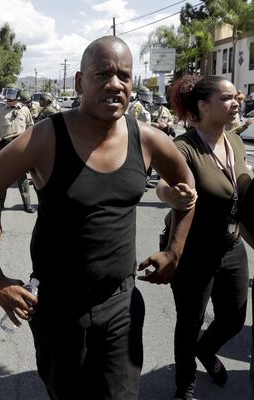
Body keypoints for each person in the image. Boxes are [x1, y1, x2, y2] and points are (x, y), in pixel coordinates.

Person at [0, 36, 195, 400]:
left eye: (124, 76)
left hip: (121, 303)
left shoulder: (147, 138)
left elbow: (186, 190)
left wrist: (173, 252)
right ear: (80, 82)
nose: (115, 84)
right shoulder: (45, 138)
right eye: (103, 74)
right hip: (57, 308)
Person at [156, 75, 252, 400]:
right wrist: (173, 196)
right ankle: (185, 387)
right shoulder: (183, 147)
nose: (235, 102)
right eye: (226, 98)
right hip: (192, 251)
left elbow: (243, 201)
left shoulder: (236, 142)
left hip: (231, 245)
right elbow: (163, 185)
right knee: (190, 321)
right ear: (203, 106)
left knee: (235, 319)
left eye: (235, 96)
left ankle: (206, 350)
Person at [0, 83, 35, 213]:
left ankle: (27, 204)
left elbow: (31, 126)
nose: (8, 97)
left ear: (17, 95)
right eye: (7, 93)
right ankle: (0, 203)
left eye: (11, 93)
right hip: (5, 146)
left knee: (22, 177)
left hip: (20, 148)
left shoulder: (24, 110)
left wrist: (28, 135)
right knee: (3, 176)